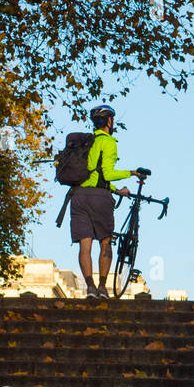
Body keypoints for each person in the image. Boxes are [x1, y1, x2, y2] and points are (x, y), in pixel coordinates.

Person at [71, 105, 144, 300]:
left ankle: (89, 288)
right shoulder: (108, 142)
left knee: (85, 246)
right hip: (99, 199)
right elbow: (108, 173)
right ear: (109, 121)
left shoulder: (86, 143)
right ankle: (102, 288)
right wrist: (132, 173)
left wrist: (115, 189)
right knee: (105, 242)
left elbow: (94, 175)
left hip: (78, 196)